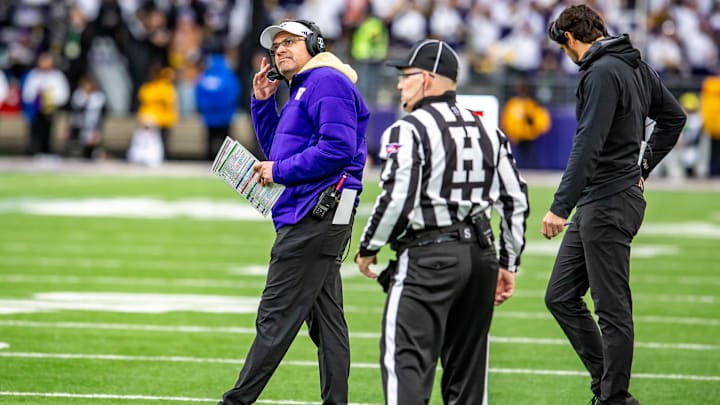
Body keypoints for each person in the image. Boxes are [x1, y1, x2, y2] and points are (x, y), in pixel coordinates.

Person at [355, 39, 529, 404]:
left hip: (429, 258)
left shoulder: (409, 129)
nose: (400, 84)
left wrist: (369, 247)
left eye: (406, 76)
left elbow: (398, 197)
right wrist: (507, 262)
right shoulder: (490, 132)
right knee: (468, 380)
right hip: (481, 258)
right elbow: (515, 199)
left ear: (428, 79)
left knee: (407, 366)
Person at [217, 19, 369, 405]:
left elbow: (337, 149)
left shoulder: (325, 82)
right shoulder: (303, 86)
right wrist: (263, 103)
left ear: (315, 45)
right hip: (317, 212)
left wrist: (279, 171)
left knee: (275, 317)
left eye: (290, 42)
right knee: (327, 322)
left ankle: (235, 402)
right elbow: (278, 153)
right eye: (275, 46)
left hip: (316, 213)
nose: (280, 50)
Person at [542, 5, 686, 405]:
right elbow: (674, 118)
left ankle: (614, 398)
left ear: (570, 38)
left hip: (607, 202)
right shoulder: (634, 65)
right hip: (608, 198)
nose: (568, 57)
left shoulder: (602, 71)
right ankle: (607, 386)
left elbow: (587, 144)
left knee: (611, 308)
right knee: (560, 296)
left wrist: (559, 206)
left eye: (564, 47)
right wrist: (643, 167)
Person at [21, 52, 70, 155]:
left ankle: (47, 151)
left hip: (51, 110)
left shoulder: (57, 76)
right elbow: (27, 93)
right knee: (34, 131)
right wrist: (38, 98)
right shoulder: (34, 74)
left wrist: (49, 99)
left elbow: (63, 94)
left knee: (48, 131)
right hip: (35, 110)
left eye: (46, 61)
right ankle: (32, 151)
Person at [195, 51, 240, 160]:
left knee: (210, 138)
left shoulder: (204, 76)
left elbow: (199, 94)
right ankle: (227, 161)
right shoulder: (228, 76)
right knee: (226, 140)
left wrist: (205, 108)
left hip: (210, 115)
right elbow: (234, 92)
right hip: (225, 115)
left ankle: (210, 159)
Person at [65, 75, 106, 159]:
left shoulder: (98, 98)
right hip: (78, 126)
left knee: (91, 144)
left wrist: (97, 131)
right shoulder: (78, 96)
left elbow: (101, 117)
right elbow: (74, 114)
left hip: (92, 127)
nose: (87, 87)